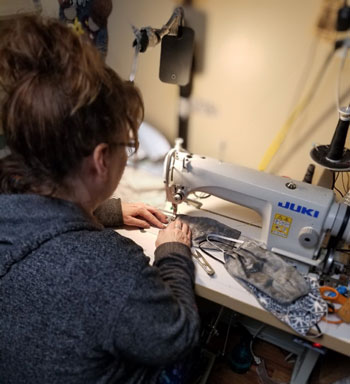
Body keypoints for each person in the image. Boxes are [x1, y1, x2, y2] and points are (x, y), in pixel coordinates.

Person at [0, 15, 200, 384]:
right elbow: (176, 336)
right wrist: (173, 254)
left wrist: (101, 211)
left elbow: (39, 232)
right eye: (127, 145)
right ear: (101, 159)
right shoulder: (110, 266)